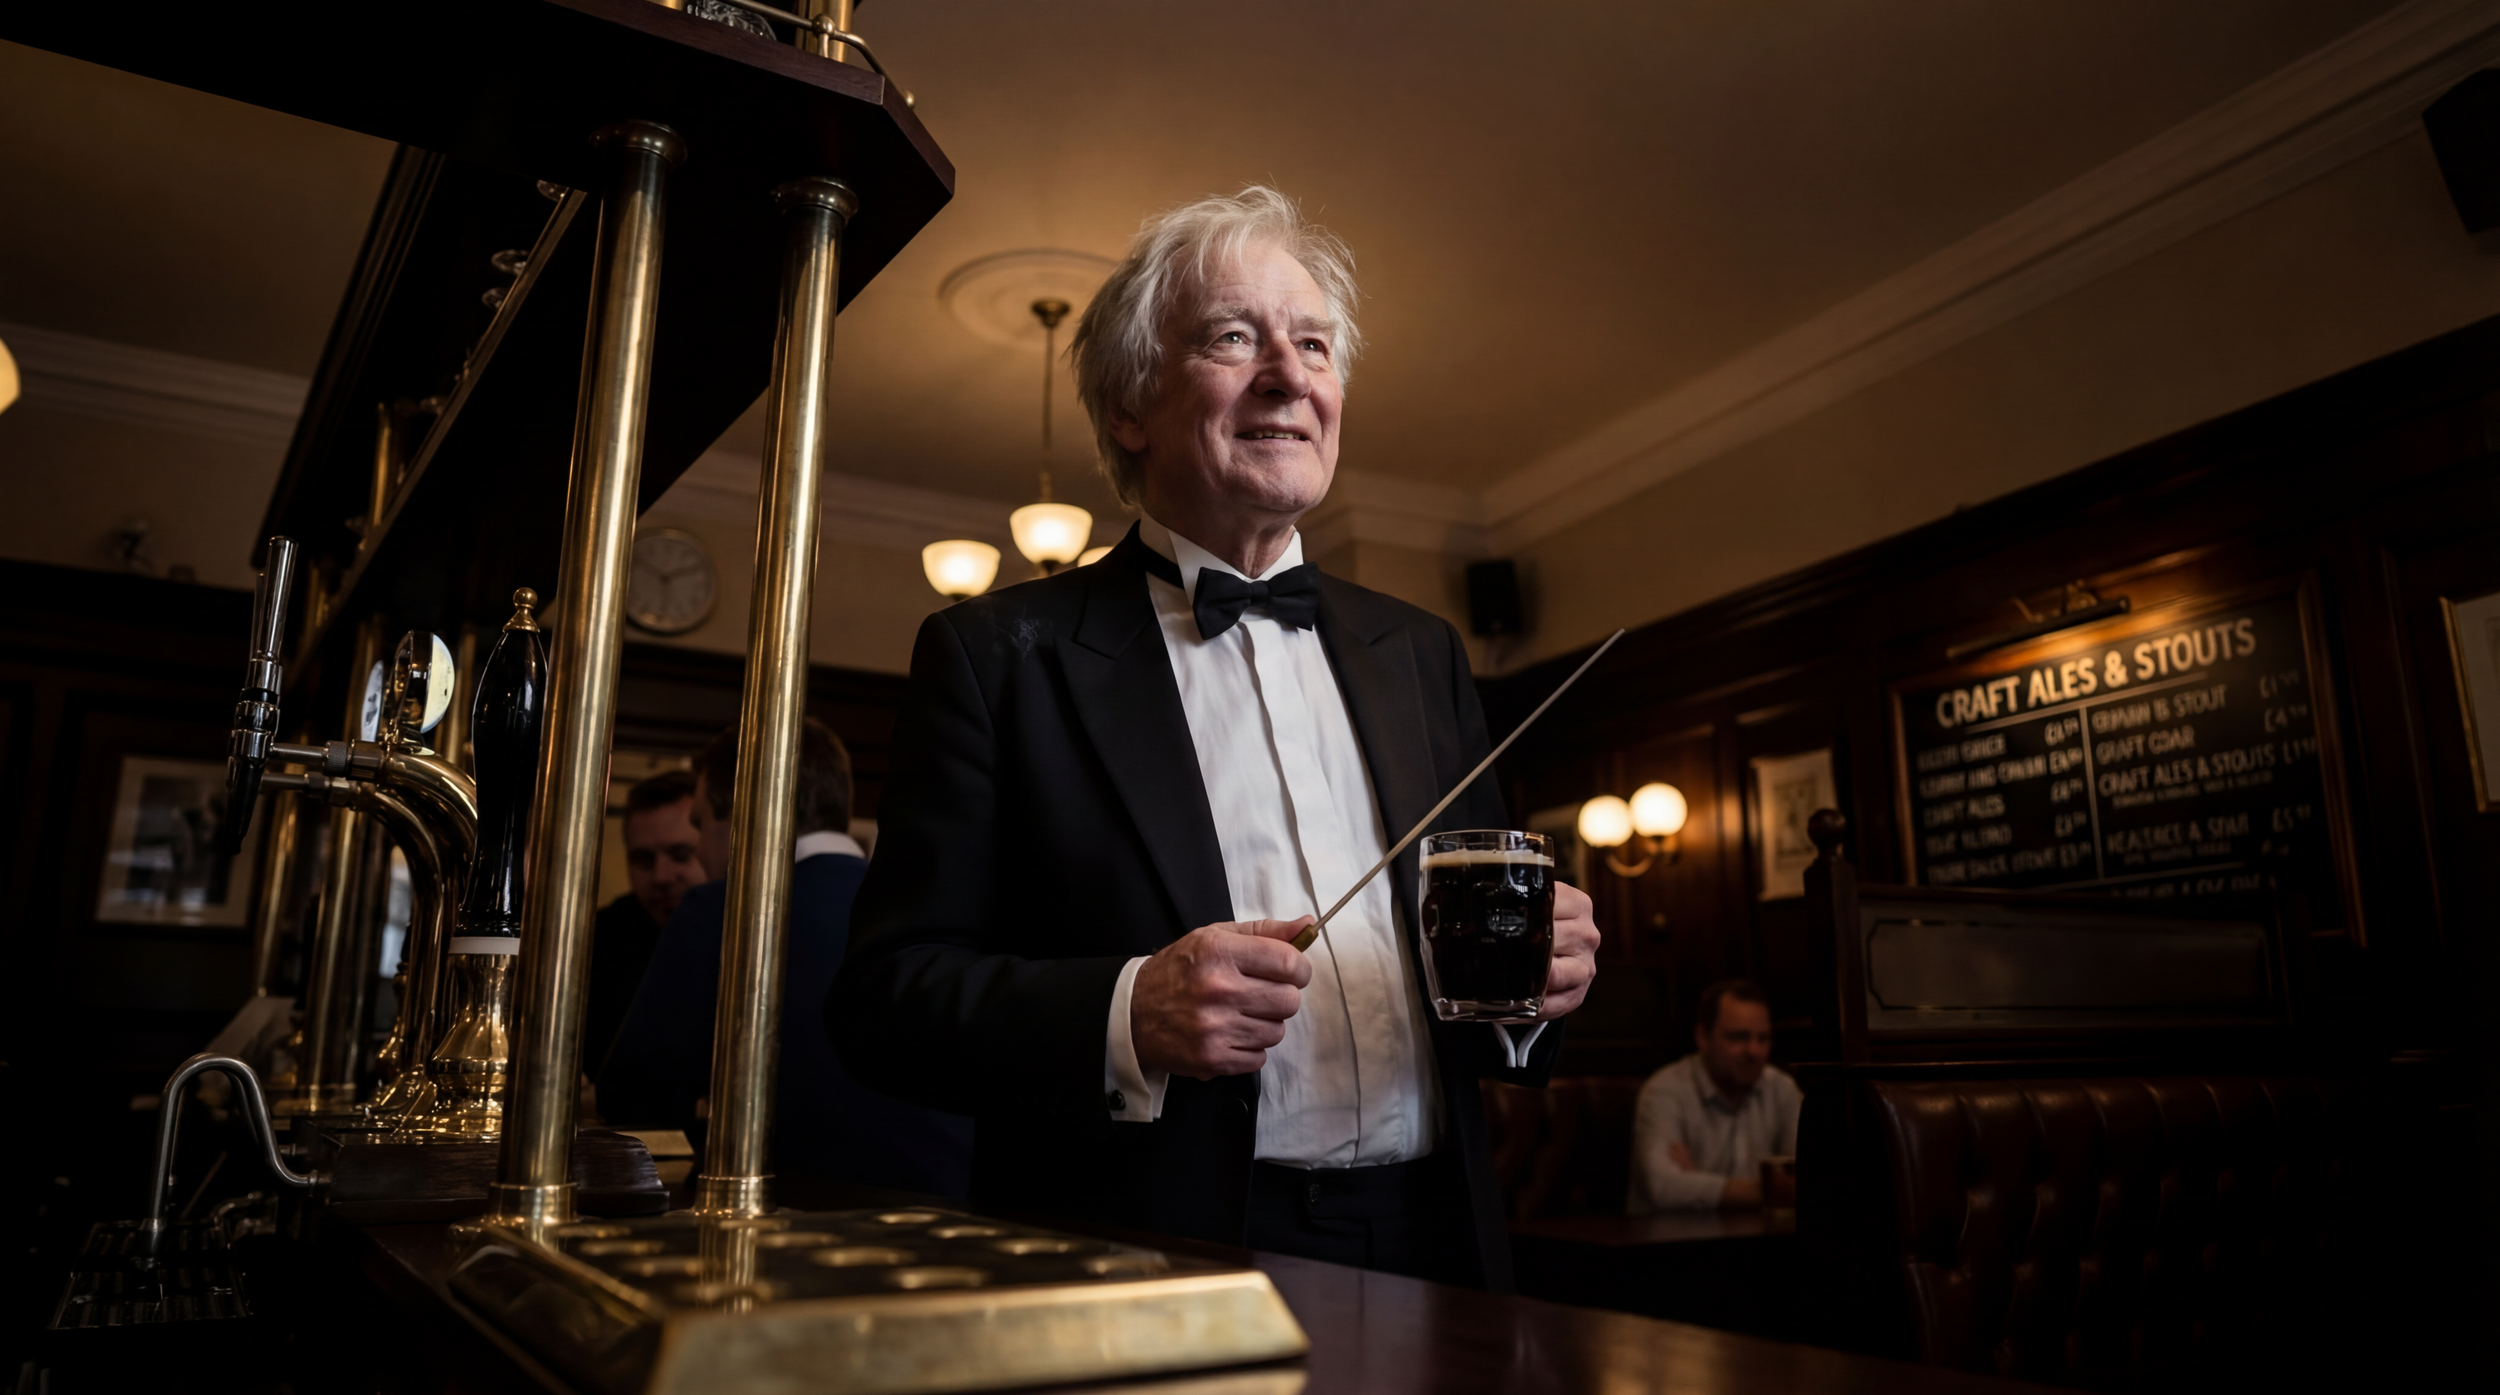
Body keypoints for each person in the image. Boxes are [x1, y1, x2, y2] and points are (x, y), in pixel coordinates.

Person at [828, 186, 1601, 1289]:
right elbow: (883, 1006)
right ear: (1129, 407)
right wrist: (1124, 1012)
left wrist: (1534, 981)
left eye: (1316, 345)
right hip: (1150, 1255)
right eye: (1236, 338)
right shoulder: (995, 657)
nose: (1291, 376)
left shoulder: (1421, 652)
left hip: (1440, 1244)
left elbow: (1481, 980)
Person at [599, 718, 974, 1196]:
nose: (699, 845)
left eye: (700, 823)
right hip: (959, 1210)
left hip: (807, 1216)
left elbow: (632, 1095)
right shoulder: (927, 903)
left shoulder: (723, 908)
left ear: (738, 812)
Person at [1628, 979, 1801, 1213]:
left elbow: (1813, 1181)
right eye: (1738, 1037)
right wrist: (1771, 1189)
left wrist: (1696, 1183)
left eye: (1763, 1039)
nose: (1754, 1051)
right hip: (1673, 1244)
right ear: (1702, 1037)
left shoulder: (1782, 1088)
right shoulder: (1665, 1090)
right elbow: (1662, 1187)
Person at [582, 769, 705, 1074]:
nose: (661, 877)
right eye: (643, 860)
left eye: (680, 855)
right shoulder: (597, 943)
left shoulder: (754, 941)